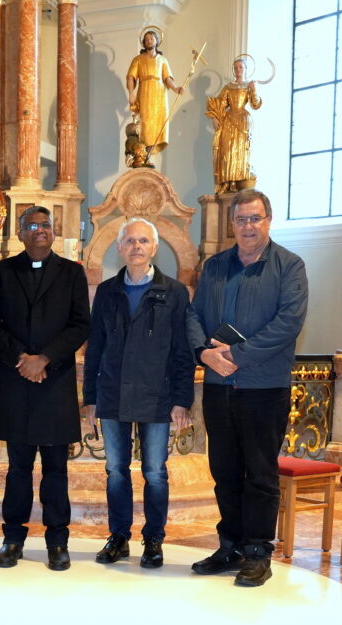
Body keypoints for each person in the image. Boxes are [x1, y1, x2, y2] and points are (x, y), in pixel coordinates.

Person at [186, 190, 308, 587]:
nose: (248, 226)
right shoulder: (216, 265)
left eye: (255, 218)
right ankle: (231, 547)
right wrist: (204, 353)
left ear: (268, 220)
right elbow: (193, 314)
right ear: (232, 224)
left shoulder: (289, 266)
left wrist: (238, 355)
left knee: (259, 474)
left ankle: (257, 551)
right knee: (223, 471)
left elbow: (288, 323)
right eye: (241, 220)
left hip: (263, 388)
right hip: (219, 389)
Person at [0, 206, 90, 571]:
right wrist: (22, 358)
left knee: (57, 469)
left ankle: (58, 541)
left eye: (46, 226)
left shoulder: (72, 273)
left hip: (54, 384)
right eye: (32, 226)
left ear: (53, 233)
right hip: (16, 384)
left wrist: (45, 359)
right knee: (18, 469)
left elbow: (79, 326)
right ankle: (13, 538)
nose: (40, 231)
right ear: (20, 234)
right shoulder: (3, 272)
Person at [82, 218, 194, 569]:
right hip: (113, 393)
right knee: (116, 470)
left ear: (154, 248)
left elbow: (183, 350)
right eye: (130, 241)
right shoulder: (107, 292)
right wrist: (90, 398)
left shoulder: (174, 293)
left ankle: (154, 539)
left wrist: (182, 399)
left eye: (143, 241)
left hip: (157, 396)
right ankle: (119, 536)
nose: (136, 247)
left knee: (155, 471)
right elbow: (95, 347)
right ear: (119, 248)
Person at [126, 27, 183, 160]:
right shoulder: (138, 59)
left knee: (157, 124)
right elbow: (131, 77)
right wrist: (131, 94)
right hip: (144, 92)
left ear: (156, 41)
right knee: (144, 123)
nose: (149, 41)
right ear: (144, 43)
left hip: (159, 94)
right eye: (147, 39)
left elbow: (167, 78)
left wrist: (176, 89)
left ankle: (149, 155)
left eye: (152, 39)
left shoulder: (162, 60)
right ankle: (142, 154)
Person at [207, 57, 262, 194]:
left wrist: (254, 90)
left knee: (242, 151)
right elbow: (217, 104)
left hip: (243, 121)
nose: (238, 70)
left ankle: (240, 182)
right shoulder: (228, 87)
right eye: (236, 67)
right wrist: (214, 117)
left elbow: (255, 105)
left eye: (241, 67)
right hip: (229, 120)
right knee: (228, 151)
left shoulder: (249, 86)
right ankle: (228, 182)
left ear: (245, 69)